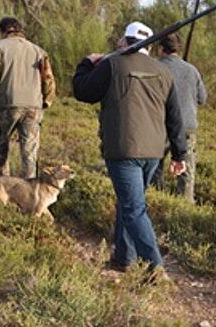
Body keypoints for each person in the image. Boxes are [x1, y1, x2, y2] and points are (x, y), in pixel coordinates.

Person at [72, 21, 187, 277]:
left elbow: (83, 92)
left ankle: (155, 269)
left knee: (134, 209)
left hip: (123, 151)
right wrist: (180, 155)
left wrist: (86, 63)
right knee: (130, 204)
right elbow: (175, 118)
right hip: (153, 152)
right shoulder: (163, 72)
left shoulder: (111, 65)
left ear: (125, 41)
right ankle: (124, 258)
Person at [0, 16, 56, 179]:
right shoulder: (39, 51)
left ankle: (2, 188)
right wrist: (46, 101)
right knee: (29, 152)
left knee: (2, 146)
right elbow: (48, 79)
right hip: (33, 106)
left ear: (3, 31)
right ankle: (29, 191)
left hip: (6, 104)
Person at [151, 32, 207, 203]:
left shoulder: (154, 67)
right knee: (186, 173)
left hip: (161, 127)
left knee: (155, 169)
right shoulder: (192, 70)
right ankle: (186, 208)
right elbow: (202, 99)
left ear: (161, 49)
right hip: (188, 129)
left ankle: (156, 202)